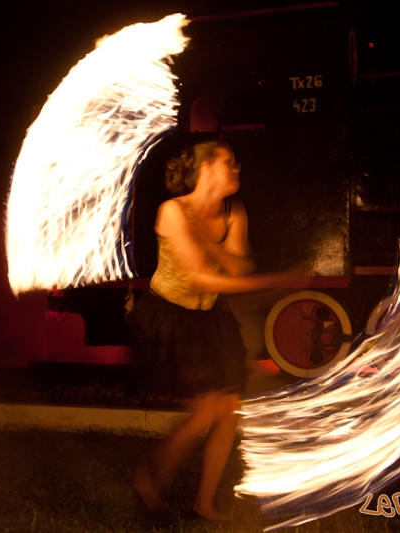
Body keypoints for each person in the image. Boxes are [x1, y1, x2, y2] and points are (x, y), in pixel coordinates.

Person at [128, 140, 296, 522]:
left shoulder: (234, 211)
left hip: (209, 318)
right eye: (229, 163)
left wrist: (208, 241)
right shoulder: (172, 211)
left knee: (229, 409)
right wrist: (269, 283)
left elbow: (239, 267)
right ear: (205, 169)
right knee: (205, 411)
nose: (237, 168)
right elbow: (199, 276)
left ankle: (203, 503)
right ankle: (148, 477)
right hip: (170, 317)